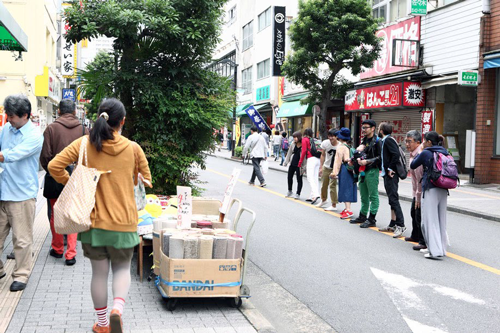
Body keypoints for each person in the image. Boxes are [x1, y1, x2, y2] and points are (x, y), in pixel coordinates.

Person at [48, 98, 152, 332]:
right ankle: (118, 308)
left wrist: (73, 183)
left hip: (93, 224)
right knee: (122, 269)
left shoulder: (84, 144)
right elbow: (147, 180)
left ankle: (103, 324)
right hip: (124, 223)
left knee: (99, 274)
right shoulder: (133, 148)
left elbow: (54, 165)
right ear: (122, 122)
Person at [0, 94, 43, 292]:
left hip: (22, 195)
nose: (8, 119)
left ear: (25, 115)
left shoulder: (34, 135)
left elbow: (12, 155)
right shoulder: (5, 130)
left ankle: (21, 274)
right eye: (7, 114)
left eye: (11, 116)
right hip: (2, 191)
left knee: (22, 239)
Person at [40, 99, 89, 266]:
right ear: (75, 112)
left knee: (55, 214)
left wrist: (53, 169)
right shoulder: (84, 130)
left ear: (59, 111)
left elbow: (45, 156)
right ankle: (71, 254)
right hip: (76, 177)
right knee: (73, 214)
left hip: (55, 177)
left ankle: (58, 248)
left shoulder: (51, 129)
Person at [410, 131, 449, 260]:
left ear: (429, 142)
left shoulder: (426, 152)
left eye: (424, 141)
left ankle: (434, 251)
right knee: (441, 220)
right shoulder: (444, 151)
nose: (423, 143)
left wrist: (421, 150)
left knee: (430, 220)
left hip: (431, 188)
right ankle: (442, 249)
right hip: (443, 188)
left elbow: (413, 164)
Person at [350, 120, 382, 229]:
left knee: (373, 195)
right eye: (362, 127)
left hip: (372, 170)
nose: (363, 130)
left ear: (373, 128)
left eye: (366, 127)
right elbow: (360, 153)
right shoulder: (364, 140)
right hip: (362, 170)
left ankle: (372, 218)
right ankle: (362, 216)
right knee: (363, 194)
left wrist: (367, 161)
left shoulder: (377, 141)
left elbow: (380, 158)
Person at [377, 122, 406, 238]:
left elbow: (395, 155)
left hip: (391, 175)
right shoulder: (386, 140)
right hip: (387, 174)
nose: (378, 131)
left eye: (379, 129)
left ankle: (401, 224)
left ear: (382, 130)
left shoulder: (388, 140)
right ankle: (393, 224)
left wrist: (390, 168)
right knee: (391, 199)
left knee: (393, 199)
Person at [405, 130, 426, 251]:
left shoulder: (419, 155)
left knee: (419, 215)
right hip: (416, 191)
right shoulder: (413, 154)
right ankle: (415, 235)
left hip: (421, 191)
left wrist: (418, 197)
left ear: (418, 142)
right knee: (414, 213)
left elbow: (419, 179)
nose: (407, 144)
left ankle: (423, 240)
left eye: (409, 141)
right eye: (406, 141)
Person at [331, 128, 356, 219]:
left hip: (344, 169)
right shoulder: (349, 146)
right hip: (349, 169)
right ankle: (346, 209)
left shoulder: (341, 147)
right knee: (348, 188)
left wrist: (334, 173)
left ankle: (348, 210)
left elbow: (337, 161)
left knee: (345, 189)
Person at [317, 129, 338, 211]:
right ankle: (324, 200)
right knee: (323, 185)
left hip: (335, 168)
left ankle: (334, 204)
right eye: (329, 136)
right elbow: (322, 155)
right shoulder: (325, 143)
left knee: (332, 185)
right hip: (326, 166)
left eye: (332, 136)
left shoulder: (340, 145)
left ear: (336, 136)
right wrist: (321, 167)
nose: (330, 138)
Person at [298, 128, 321, 205]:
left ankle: (315, 194)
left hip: (311, 159)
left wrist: (300, 162)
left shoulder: (305, 139)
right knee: (315, 178)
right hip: (318, 159)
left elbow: (304, 151)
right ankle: (312, 196)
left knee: (310, 177)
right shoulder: (314, 139)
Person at [283, 131, 306, 199]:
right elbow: (289, 153)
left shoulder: (303, 144)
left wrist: (305, 167)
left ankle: (298, 193)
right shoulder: (293, 144)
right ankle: (290, 191)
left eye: (296, 137)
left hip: (300, 165)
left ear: (299, 137)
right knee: (289, 177)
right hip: (293, 163)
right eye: (294, 137)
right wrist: (286, 162)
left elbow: (305, 156)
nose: (295, 139)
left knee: (299, 179)